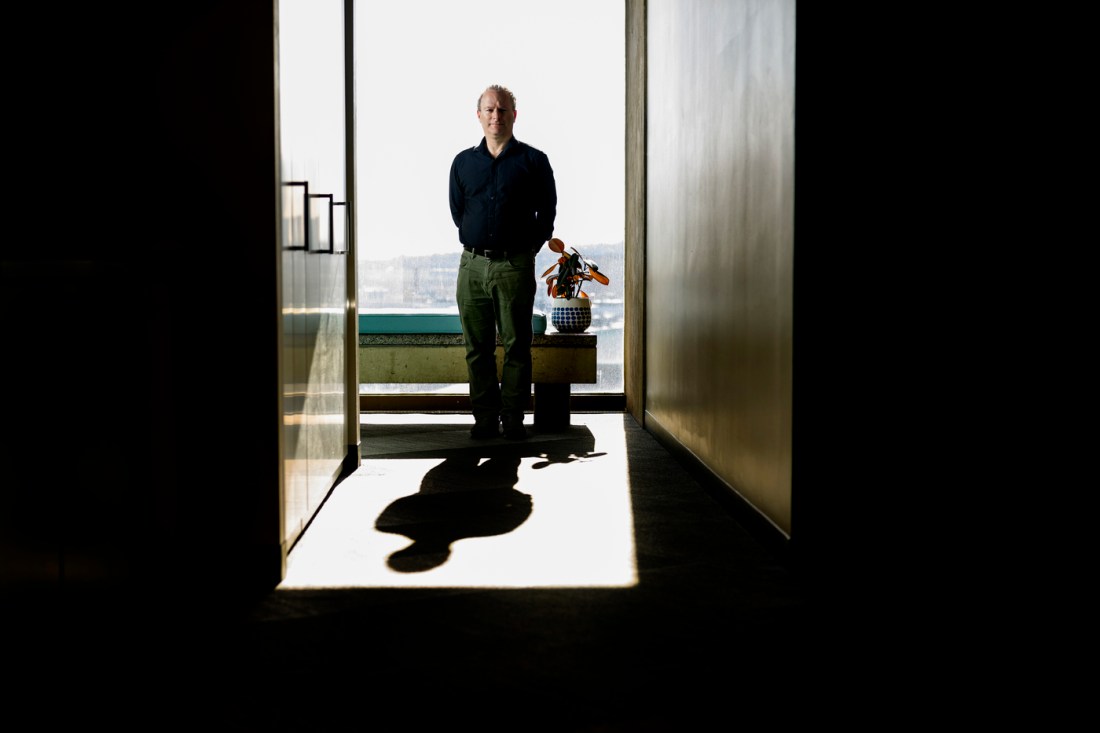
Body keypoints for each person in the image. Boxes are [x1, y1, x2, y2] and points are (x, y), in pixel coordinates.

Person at [449, 84, 557, 440]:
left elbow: (547, 212)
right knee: (476, 348)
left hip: (515, 265)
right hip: (472, 267)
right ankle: (484, 419)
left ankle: (512, 419)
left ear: (514, 114)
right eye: (490, 110)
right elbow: (458, 212)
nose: (497, 116)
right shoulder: (463, 163)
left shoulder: (534, 161)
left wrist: (528, 250)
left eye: (503, 110)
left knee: (516, 345)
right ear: (478, 115)